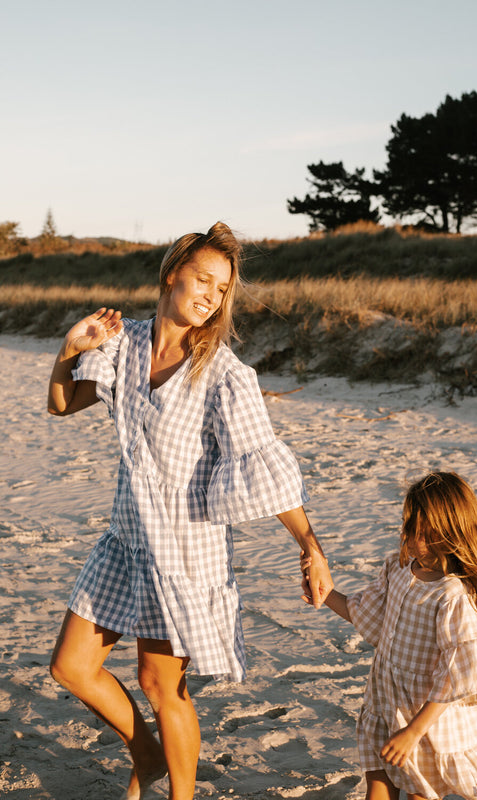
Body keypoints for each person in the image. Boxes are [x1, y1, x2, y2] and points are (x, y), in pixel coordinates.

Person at [48, 221, 333, 800]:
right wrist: (69, 349)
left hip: (184, 554)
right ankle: (146, 754)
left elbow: (262, 462)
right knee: (71, 667)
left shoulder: (224, 374)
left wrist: (310, 546)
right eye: (203, 278)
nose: (211, 295)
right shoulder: (122, 342)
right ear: (172, 271)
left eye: (222, 288)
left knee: (161, 686)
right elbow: (61, 404)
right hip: (126, 541)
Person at [301, 471, 477, 800]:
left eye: (420, 532)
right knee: (377, 787)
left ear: (449, 534)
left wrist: (414, 731)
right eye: (408, 526)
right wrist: (323, 592)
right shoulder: (398, 568)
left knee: (420, 794)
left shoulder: (451, 595)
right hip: (386, 704)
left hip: (428, 721)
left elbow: (457, 673)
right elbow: (363, 612)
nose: (408, 537)